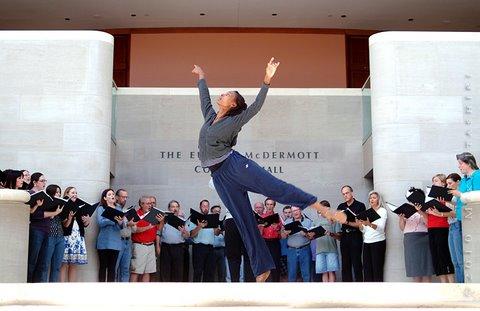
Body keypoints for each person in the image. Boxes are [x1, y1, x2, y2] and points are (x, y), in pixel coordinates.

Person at [192, 58, 330, 282]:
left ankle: (313, 203)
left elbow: (256, 106)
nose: (223, 94)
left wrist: (267, 78)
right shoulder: (209, 116)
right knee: (243, 221)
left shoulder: (236, 119)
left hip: (234, 165)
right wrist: (201, 76)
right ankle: (262, 268)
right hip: (218, 176)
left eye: (228, 94)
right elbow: (204, 98)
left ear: (234, 104)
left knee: (273, 187)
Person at [415, 174, 454, 283]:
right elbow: (428, 219)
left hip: (443, 228)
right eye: (433, 181)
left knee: (444, 255)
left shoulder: (447, 195)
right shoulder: (429, 198)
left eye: (436, 181)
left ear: (443, 183)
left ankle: (452, 284)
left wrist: (439, 213)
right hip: (431, 228)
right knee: (436, 257)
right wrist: (421, 211)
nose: (433, 183)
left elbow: (453, 213)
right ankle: (443, 284)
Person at [449, 152, 480, 281]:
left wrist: (459, 194)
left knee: (469, 258)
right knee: (458, 258)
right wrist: (448, 199)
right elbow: (460, 200)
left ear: (469, 163)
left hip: (473, 220)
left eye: (461, 163)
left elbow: (476, 196)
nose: (459, 167)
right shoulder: (464, 180)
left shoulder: (477, 176)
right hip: (461, 218)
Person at [27, 172, 63, 282]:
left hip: (46, 230)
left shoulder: (45, 196)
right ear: (34, 182)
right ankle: (28, 284)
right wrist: (55, 213)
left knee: (42, 261)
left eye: (45, 181)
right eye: (42, 181)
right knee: (32, 260)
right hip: (36, 230)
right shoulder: (30, 194)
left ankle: (37, 286)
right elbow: (35, 215)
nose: (44, 183)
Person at [60, 186, 91, 282]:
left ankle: (72, 287)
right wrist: (69, 217)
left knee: (73, 264)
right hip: (67, 236)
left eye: (76, 193)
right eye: (73, 193)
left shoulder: (79, 207)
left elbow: (84, 224)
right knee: (64, 263)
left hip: (78, 237)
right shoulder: (64, 205)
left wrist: (88, 220)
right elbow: (64, 225)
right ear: (67, 194)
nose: (75, 194)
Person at [130, 196, 164, 282]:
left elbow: (159, 228)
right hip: (139, 246)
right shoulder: (136, 214)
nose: (150, 205)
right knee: (136, 271)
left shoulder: (153, 214)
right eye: (148, 203)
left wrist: (161, 221)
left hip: (151, 245)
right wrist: (147, 227)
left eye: (152, 203)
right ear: (142, 204)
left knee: (148, 272)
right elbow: (134, 230)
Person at [356, 191, 387, 282]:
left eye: (374, 197)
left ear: (378, 199)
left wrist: (369, 224)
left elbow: (381, 228)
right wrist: (360, 225)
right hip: (367, 242)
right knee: (367, 269)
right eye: (370, 198)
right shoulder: (367, 212)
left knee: (377, 268)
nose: (371, 199)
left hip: (378, 242)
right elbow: (364, 230)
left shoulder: (382, 211)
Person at [337, 185, 366, 282]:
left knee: (356, 263)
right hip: (344, 236)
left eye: (347, 193)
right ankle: (346, 289)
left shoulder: (360, 205)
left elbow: (361, 224)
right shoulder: (341, 206)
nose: (345, 195)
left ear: (352, 192)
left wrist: (347, 222)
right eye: (343, 194)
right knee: (345, 264)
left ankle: (359, 287)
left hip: (355, 236)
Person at [38, 184, 66, 282]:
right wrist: (55, 212)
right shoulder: (46, 203)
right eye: (56, 192)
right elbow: (42, 216)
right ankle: (42, 286)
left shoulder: (61, 204)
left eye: (59, 192)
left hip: (60, 236)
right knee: (45, 264)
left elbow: (65, 223)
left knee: (57, 266)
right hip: (49, 235)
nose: (58, 194)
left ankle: (53, 287)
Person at [157, 200, 190, 282]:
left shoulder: (183, 220)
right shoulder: (164, 219)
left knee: (178, 271)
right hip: (166, 247)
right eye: (172, 206)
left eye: (176, 206)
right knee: (165, 271)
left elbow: (187, 236)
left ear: (179, 208)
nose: (175, 208)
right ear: (169, 208)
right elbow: (158, 232)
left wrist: (184, 232)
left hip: (178, 248)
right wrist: (157, 246)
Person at [96, 188, 123, 282]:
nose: (112, 196)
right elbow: (100, 223)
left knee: (112, 268)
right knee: (103, 267)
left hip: (115, 242)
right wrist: (111, 220)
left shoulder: (119, 208)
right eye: (109, 194)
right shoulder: (101, 208)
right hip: (103, 242)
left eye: (113, 194)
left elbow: (120, 227)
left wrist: (119, 222)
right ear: (105, 198)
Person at [311, 200, 340, 282]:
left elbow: (339, 237)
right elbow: (312, 237)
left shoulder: (334, 220)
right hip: (319, 250)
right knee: (323, 272)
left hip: (331, 250)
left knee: (331, 271)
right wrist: (308, 235)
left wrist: (331, 234)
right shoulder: (315, 221)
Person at [281, 206, 313, 282]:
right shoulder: (287, 222)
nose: (295, 212)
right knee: (292, 274)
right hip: (291, 250)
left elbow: (312, 237)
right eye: (293, 211)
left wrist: (305, 234)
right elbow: (283, 237)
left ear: (300, 210)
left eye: (297, 210)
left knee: (306, 274)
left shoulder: (308, 221)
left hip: (305, 249)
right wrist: (284, 232)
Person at [188, 199, 216, 282]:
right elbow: (191, 235)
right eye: (204, 206)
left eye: (207, 206)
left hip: (210, 248)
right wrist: (199, 226)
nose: (206, 208)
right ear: (200, 207)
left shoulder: (212, 218)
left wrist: (217, 227)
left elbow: (217, 233)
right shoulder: (194, 218)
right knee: (198, 271)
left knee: (209, 272)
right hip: (199, 248)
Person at [444, 173, 463, 283]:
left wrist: (441, 214)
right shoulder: (450, 197)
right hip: (451, 226)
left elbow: (457, 213)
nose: (448, 186)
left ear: (458, 182)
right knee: (454, 261)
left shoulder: (460, 195)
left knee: (460, 260)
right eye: (447, 184)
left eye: (450, 183)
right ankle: (459, 286)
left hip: (457, 225)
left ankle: (464, 286)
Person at [258, 198, 282, 282]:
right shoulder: (261, 217)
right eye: (267, 204)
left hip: (275, 242)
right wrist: (260, 228)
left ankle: (276, 284)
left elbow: (281, 233)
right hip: (265, 242)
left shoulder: (278, 217)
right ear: (265, 205)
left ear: (274, 206)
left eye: (271, 204)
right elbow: (259, 234)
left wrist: (277, 228)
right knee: (265, 265)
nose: (269, 206)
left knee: (276, 264)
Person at [115, 189, 134, 282]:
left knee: (126, 269)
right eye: (123, 197)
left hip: (128, 241)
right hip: (118, 241)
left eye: (126, 197)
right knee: (115, 267)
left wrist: (132, 223)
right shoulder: (114, 209)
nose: (125, 199)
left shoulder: (127, 211)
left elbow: (133, 228)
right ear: (117, 197)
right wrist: (126, 224)